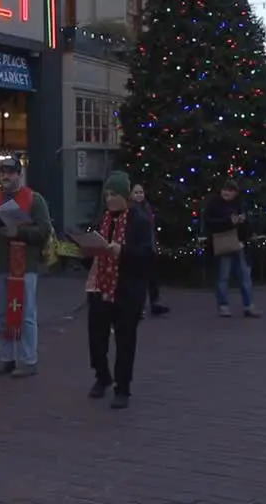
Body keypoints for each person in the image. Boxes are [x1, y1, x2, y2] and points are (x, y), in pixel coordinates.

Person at [0, 157, 53, 378]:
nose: (6, 176)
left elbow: (44, 230)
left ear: (19, 174)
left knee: (26, 314)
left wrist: (18, 233)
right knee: (3, 314)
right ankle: (7, 358)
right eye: (3, 172)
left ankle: (28, 360)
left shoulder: (34, 199)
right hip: (1, 265)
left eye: (10, 172)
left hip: (24, 266)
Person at [85, 172, 151, 409]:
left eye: (115, 195)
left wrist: (121, 250)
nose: (110, 199)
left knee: (125, 339)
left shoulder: (139, 221)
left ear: (125, 196)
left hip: (127, 288)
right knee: (96, 337)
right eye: (107, 195)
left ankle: (123, 387)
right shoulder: (102, 219)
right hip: (99, 285)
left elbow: (147, 255)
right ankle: (102, 377)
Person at [204, 180, 259, 318]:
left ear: (235, 193)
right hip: (223, 244)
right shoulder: (214, 204)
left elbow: (246, 223)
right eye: (225, 189)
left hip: (238, 244)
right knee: (223, 276)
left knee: (245, 276)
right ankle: (223, 306)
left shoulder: (238, 204)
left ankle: (249, 305)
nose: (227, 193)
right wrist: (228, 222)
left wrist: (243, 223)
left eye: (230, 190)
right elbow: (209, 223)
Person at [131, 183, 170, 317]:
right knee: (139, 280)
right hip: (137, 249)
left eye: (141, 192)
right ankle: (138, 306)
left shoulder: (147, 208)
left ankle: (155, 303)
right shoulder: (131, 210)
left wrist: (154, 246)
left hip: (149, 248)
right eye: (136, 192)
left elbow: (151, 229)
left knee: (152, 278)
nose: (139, 195)